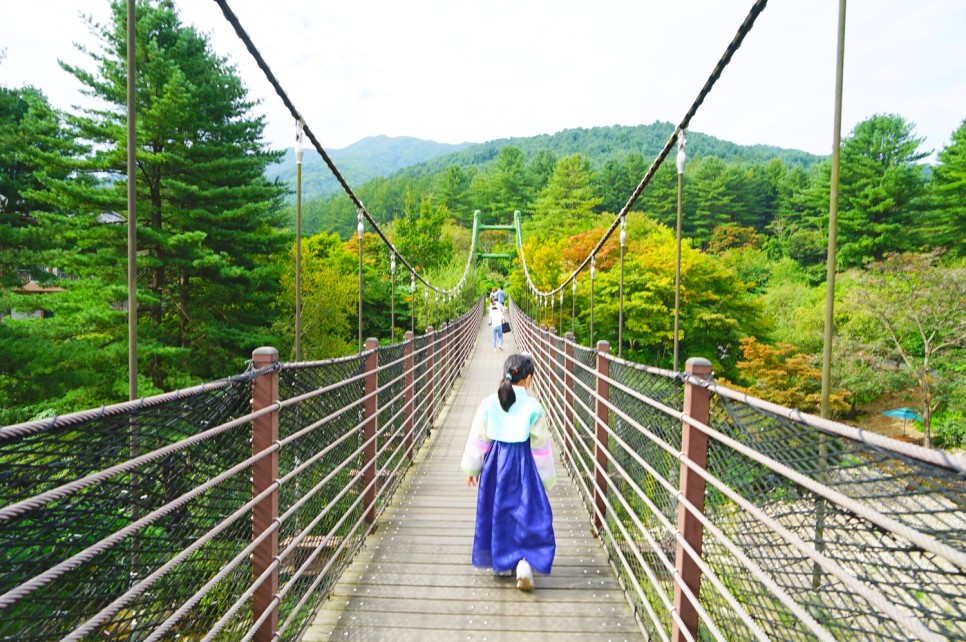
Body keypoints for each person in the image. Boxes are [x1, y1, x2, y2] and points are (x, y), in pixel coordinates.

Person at [461, 353, 556, 591]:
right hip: (524, 463)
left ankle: (502, 563)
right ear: (529, 379)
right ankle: (524, 561)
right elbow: (541, 448)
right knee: (527, 511)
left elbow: (480, 437)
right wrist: (546, 478)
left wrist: (473, 467)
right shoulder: (534, 407)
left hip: (496, 463)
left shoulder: (489, 403)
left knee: (498, 509)